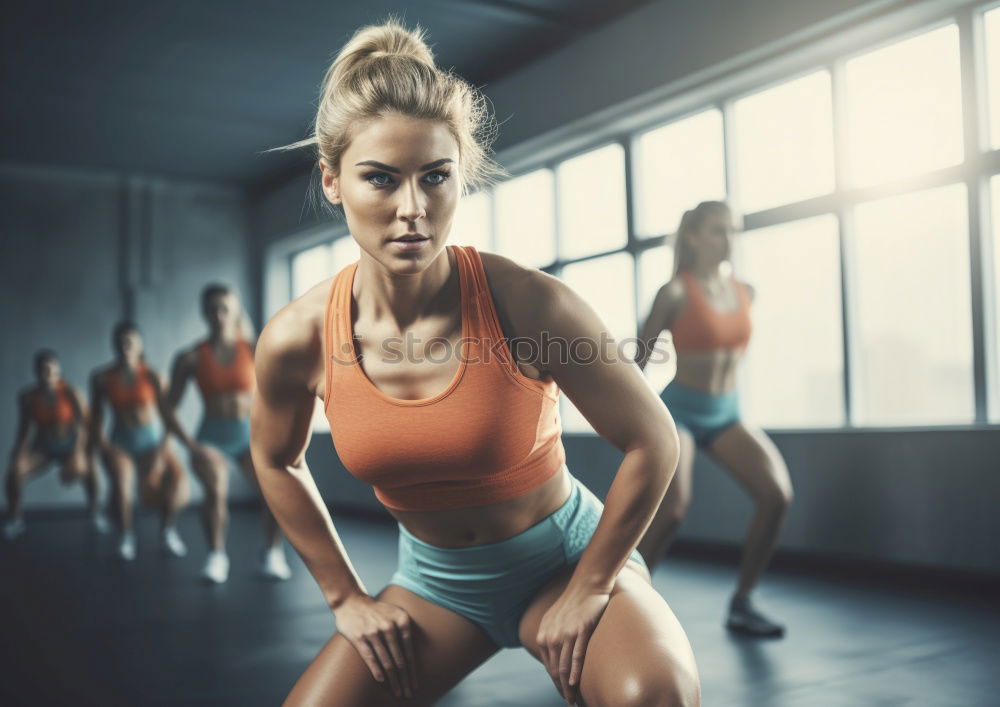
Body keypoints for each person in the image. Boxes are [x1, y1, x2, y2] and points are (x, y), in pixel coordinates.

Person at [251, 20, 701, 705]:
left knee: (656, 696)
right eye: (380, 179)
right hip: (437, 587)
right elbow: (275, 457)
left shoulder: (529, 303)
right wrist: (344, 595)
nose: (413, 209)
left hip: (565, 558)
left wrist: (593, 583)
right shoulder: (297, 337)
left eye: (436, 177)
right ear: (333, 180)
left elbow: (654, 438)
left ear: (462, 176)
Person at [634, 201, 794, 638]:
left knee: (776, 493)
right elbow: (638, 365)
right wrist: (633, 429)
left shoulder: (747, 291)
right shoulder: (675, 293)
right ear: (693, 237)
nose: (728, 239)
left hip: (726, 413)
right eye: (718, 230)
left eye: (733, 230)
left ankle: (743, 603)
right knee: (672, 512)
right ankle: (621, 604)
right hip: (681, 411)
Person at [162, 284, 291, 584]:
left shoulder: (255, 348)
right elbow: (167, 407)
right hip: (211, 439)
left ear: (234, 311)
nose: (219, 314)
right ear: (204, 313)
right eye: (213, 309)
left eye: (225, 308)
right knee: (216, 490)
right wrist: (190, 444)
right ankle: (216, 556)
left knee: (275, 491)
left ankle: (272, 553)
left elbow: (280, 393)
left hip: (250, 437)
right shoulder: (190, 357)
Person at [88, 321, 190, 560]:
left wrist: (162, 450)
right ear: (114, 344)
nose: (126, 346)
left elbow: (169, 418)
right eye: (122, 342)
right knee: (123, 485)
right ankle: (126, 536)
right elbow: (95, 416)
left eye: (131, 342)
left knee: (175, 484)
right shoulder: (101, 378)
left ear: (140, 345)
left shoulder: (153, 375)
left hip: (151, 441)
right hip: (120, 442)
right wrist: (103, 445)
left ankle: (167, 532)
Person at [4, 350, 107, 539]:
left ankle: (96, 513)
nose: (49, 374)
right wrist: (18, 452)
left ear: (59, 371)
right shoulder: (28, 397)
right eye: (44, 370)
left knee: (91, 468)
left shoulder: (71, 393)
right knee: (14, 472)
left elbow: (85, 427)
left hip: (70, 445)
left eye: (52, 370)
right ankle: (15, 518)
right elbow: (24, 429)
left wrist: (78, 454)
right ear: (36, 371)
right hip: (43, 447)